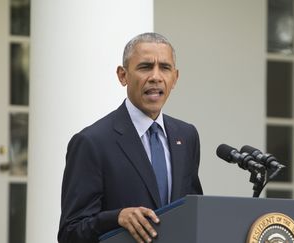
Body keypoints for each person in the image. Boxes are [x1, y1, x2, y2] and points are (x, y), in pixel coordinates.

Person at [58, 32, 203, 243]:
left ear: (175, 78)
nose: (155, 76)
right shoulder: (91, 142)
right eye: (145, 67)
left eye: (164, 67)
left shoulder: (187, 136)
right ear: (122, 76)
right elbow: (70, 232)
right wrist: (117, 217)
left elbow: (193, 212)